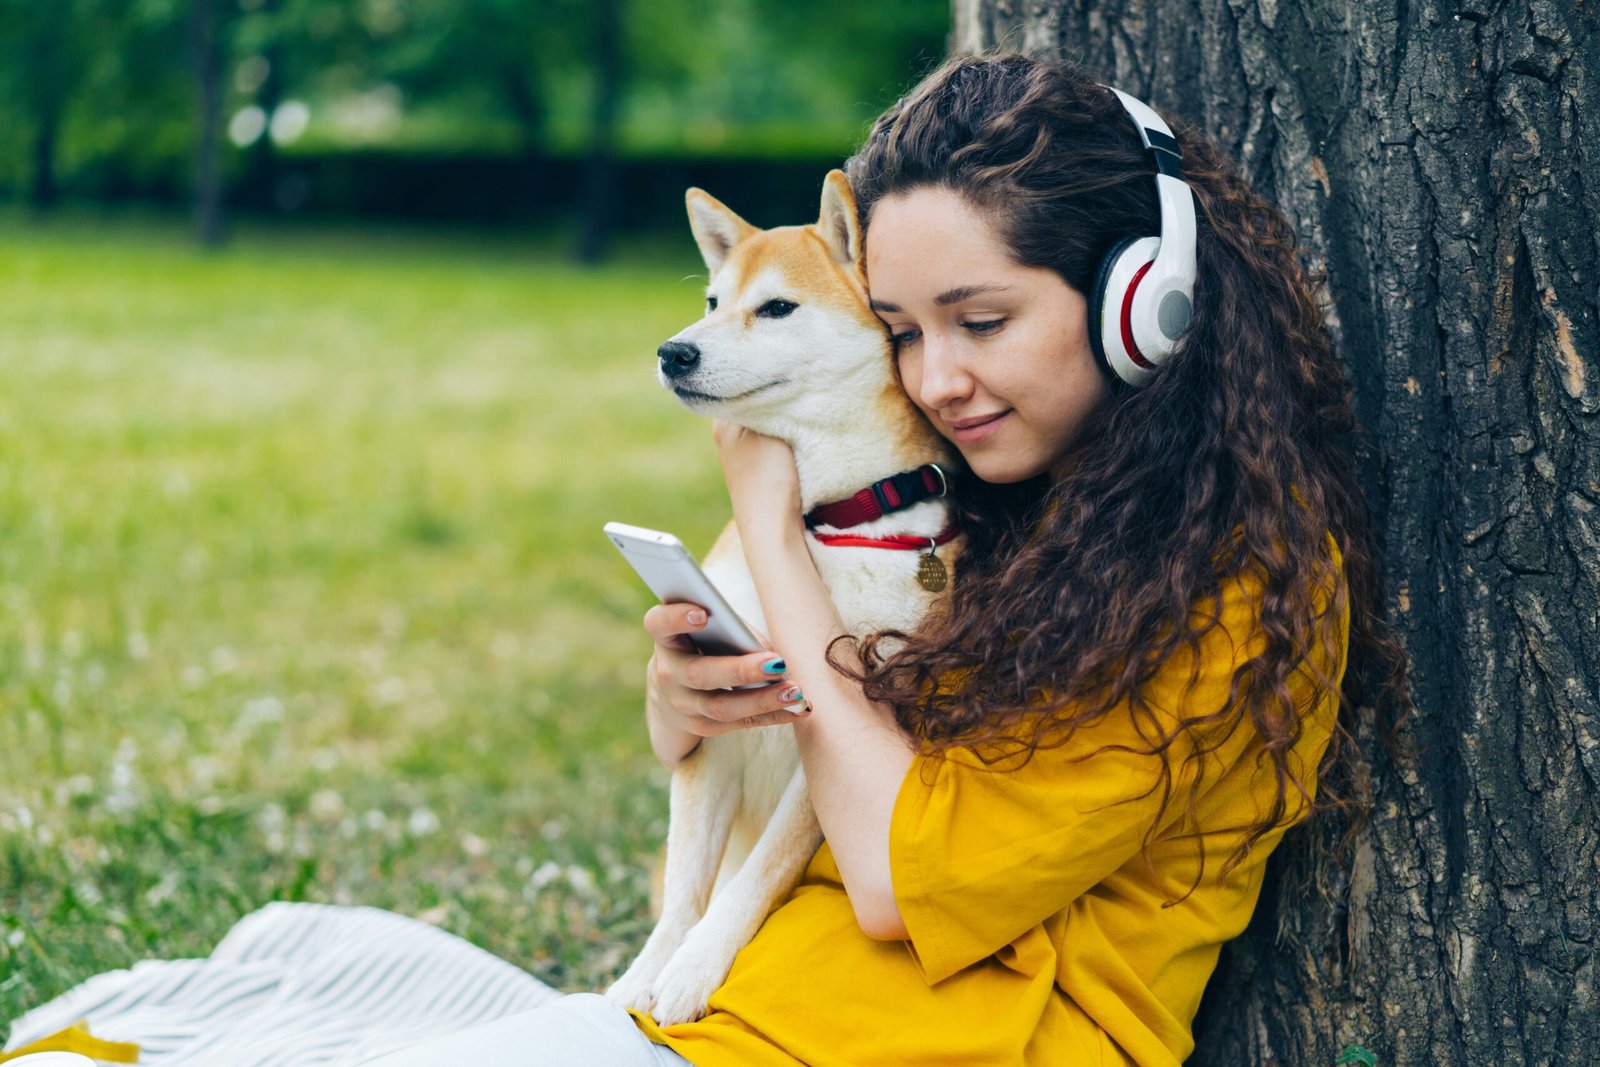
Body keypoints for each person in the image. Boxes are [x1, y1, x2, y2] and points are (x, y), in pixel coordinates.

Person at [359, 49, 1410, 1067]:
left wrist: (771, 536)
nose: (937, 378)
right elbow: (810, 750)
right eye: (901, 330)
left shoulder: (1226, 577)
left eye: (982, 321)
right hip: (737, 1008)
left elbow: (900, 880)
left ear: (1143, 301)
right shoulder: (997, 504)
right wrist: (688, 705)